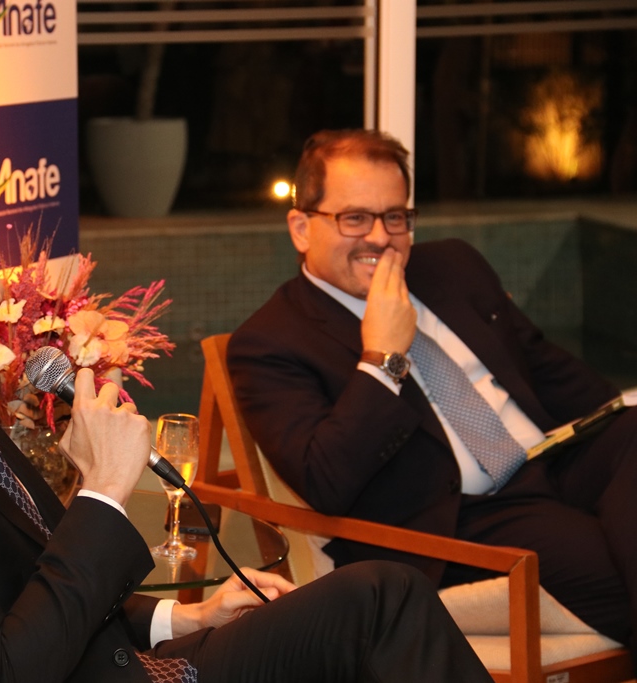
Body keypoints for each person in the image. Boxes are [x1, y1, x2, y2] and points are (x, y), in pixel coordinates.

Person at [0, 150, 492, 683]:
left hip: (120, 664)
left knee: (380, 597)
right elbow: (0, 671)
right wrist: (102, 492)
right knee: (383, 613)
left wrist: (185, 616)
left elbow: (29, 594)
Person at [228, 128, 637, 661]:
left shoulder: (453, 267)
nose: (381, 237)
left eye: (395, 216)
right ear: (302, 228)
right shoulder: (270, 342)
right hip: (460, 517)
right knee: (611, 575)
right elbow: (325, 481)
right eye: (355, 218)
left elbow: (562, 381)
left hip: (554, 462)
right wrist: (383, 358)